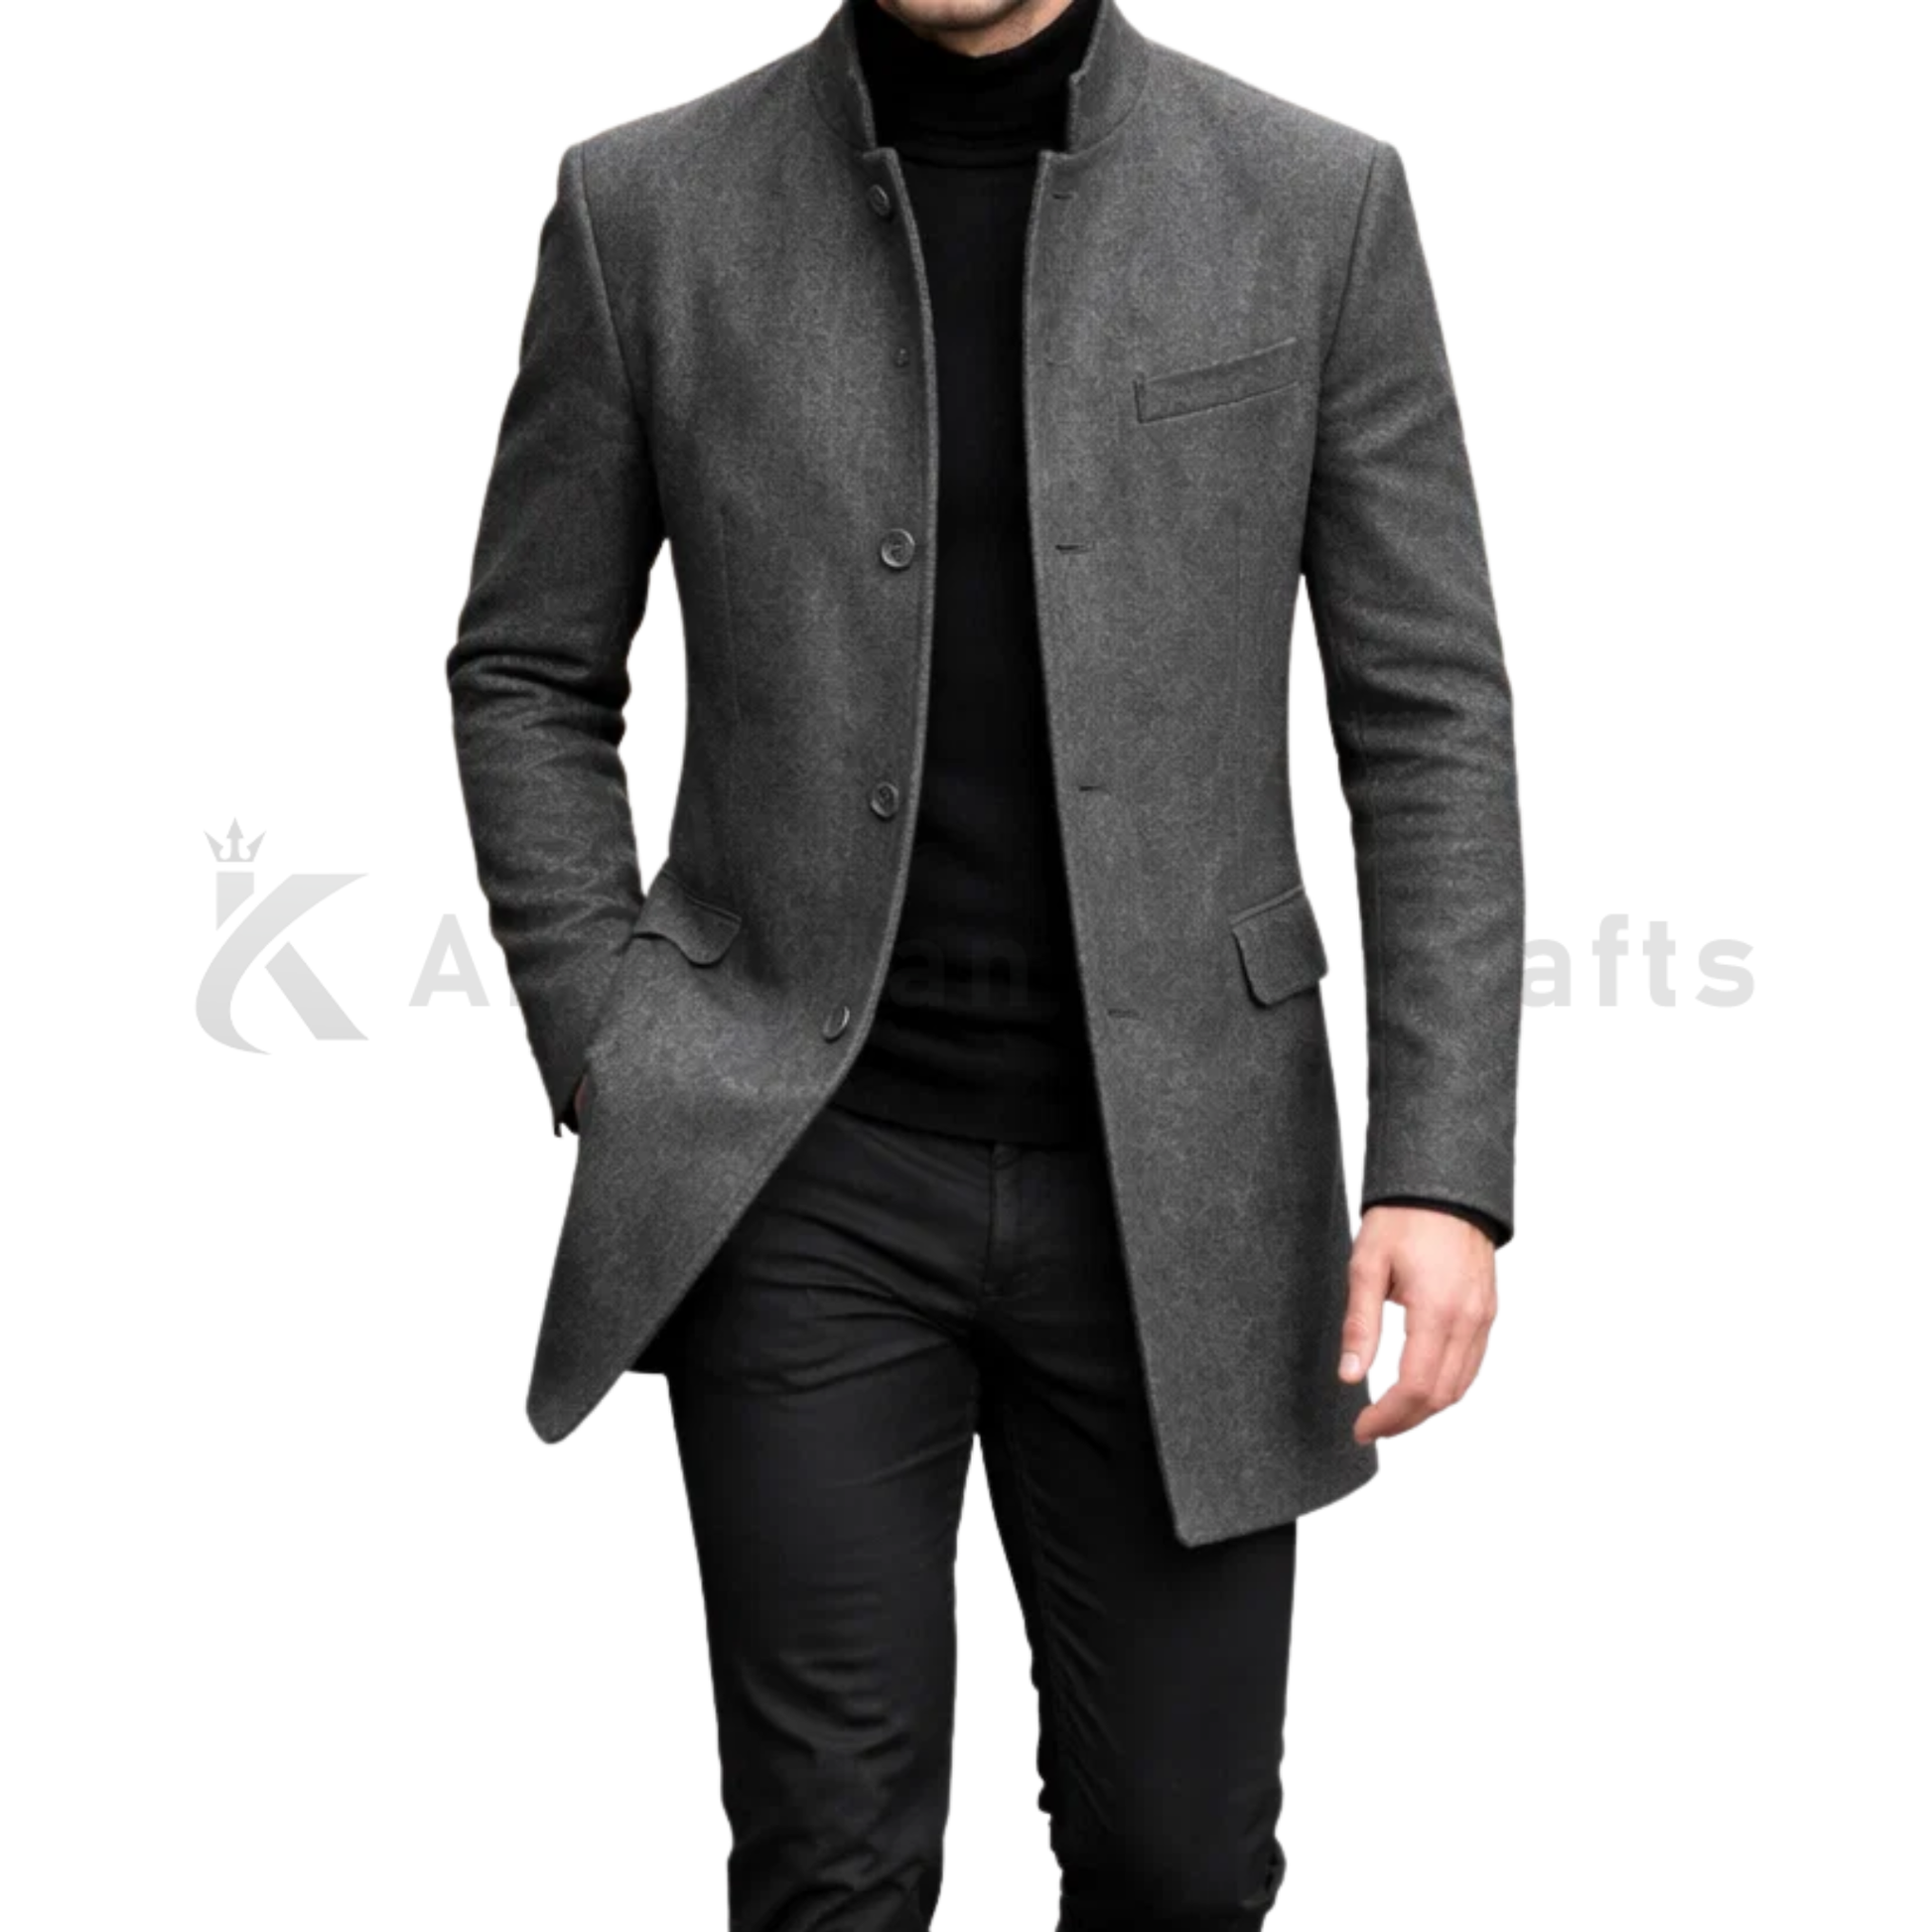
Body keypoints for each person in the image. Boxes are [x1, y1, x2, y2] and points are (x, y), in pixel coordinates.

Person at [447, 0, 1524, 1923]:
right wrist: (616, 1038)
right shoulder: (647, 209)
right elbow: (527, 664)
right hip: (798, 1170)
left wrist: (1439, 1167)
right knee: (830, 1867)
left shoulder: (1310, 202)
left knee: (1178, 1862)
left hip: (1187, 1178)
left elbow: (1427, 711)